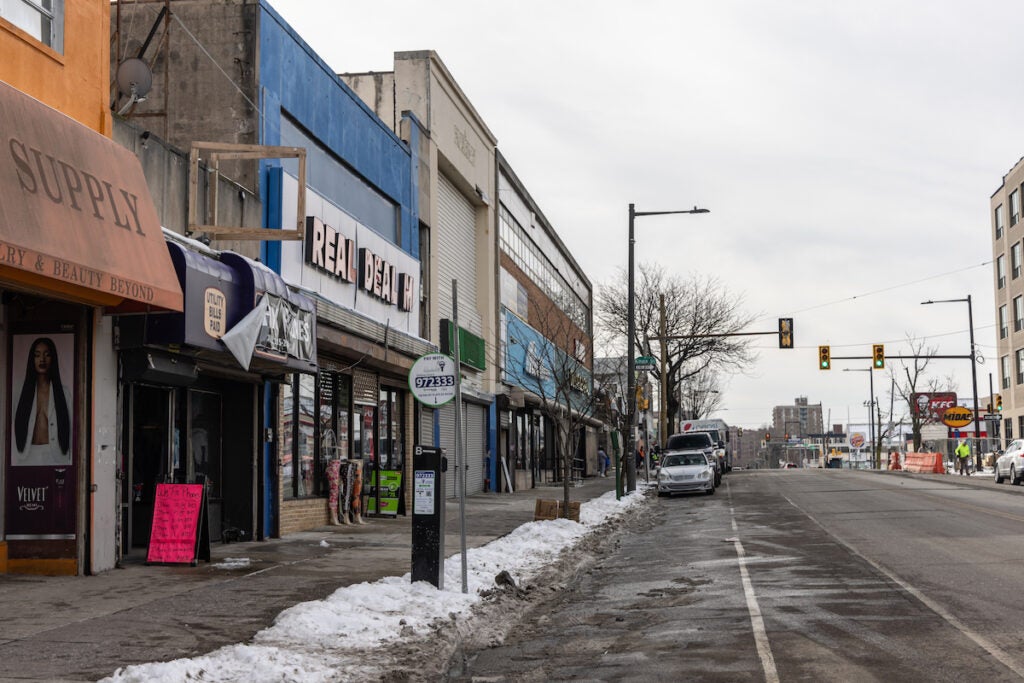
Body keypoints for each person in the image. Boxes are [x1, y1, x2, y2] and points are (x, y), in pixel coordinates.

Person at [13, 337, 71, 466]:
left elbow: (70, 429)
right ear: (31, 359)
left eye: (47, 354)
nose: (42, 359)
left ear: (53, 359)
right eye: (37, 355)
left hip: (56, 457)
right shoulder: (19, 391)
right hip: (26, 456)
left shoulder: (64, 393)